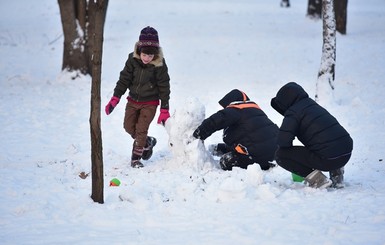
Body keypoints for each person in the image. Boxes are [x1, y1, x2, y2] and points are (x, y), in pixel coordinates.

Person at [105, 26, 171, 168]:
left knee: (141, 129)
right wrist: (115, 98)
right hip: (133, 100)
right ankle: (147, 142)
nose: (147, 58)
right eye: (144, 55)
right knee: (128, 127)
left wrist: (164, 109)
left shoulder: (159, 65)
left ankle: (136, 158)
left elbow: (164, 86)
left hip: (150, 102)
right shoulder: (132, 60)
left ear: (156, 54)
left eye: (151, 56)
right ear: (139, 51)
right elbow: (124, 79)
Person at [270, 82, 353, 188]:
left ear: (285, 102)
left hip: (329, 158)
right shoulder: (312, 105)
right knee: (328, 143)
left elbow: (283, 142)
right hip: (346, 152)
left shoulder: (293, 113)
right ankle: (337, 173)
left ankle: (319, 180)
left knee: (281, 155)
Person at [192, 89, 279, 171]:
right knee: (249, 142)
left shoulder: (236, 110)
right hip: (276, 155)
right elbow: (253, 136)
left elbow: (216, 121)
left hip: (257, 158)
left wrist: (198, 134)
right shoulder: (256, 111)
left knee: (225, 162)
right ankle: (218, 149)